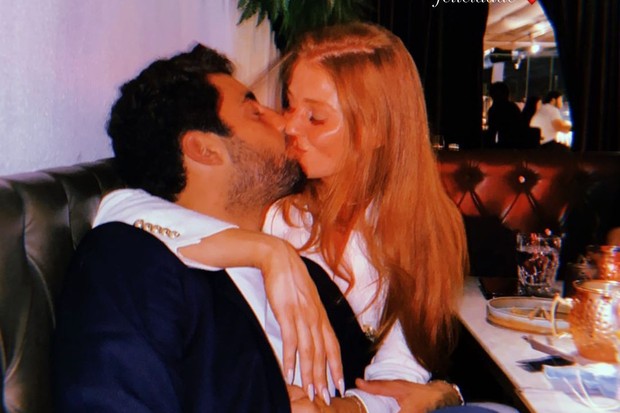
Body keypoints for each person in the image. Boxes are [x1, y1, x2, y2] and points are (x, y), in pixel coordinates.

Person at [52, 43, 481, 413]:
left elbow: (385, 386)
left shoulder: (305, 271)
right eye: (256, 112)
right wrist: (268, 252)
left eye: (314, 117)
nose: (285, 124)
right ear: (204, 149)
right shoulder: (133, 261)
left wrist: (441, 395)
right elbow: (118, 210)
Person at [484, 82, 523, 148]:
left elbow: (492, 132)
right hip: (515, 145)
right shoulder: (513, 107)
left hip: (504, 146)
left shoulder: (494, 110)